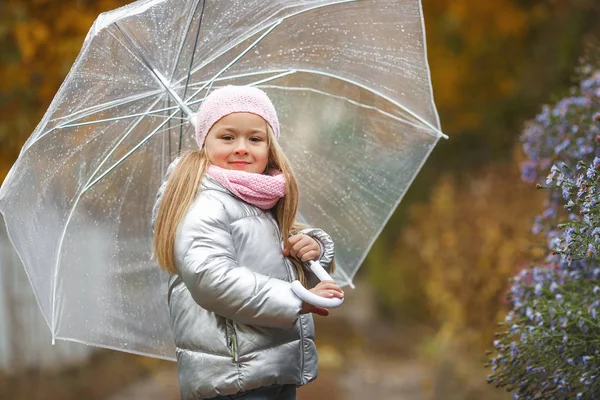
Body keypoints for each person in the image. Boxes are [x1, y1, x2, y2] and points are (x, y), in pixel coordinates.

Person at [151, 85, 344, 400]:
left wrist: (312, 251)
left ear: (270, 146)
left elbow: (271, 263)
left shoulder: (258, 199)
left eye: (254, 138)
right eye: (227, 137)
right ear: (205, 143)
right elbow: (211, 277)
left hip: (269, 367)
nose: (241, 147)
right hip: (233, 376)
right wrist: (295, 300)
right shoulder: (203, 201)